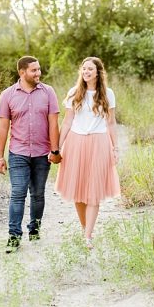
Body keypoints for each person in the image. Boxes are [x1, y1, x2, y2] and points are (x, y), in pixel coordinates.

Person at [0, 56, 61, 253]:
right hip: (18, 153)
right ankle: (14, 236)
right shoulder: (7, 95)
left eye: (39, 69)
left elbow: (54, 123)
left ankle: (35, 228)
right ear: (22, 72)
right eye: (34, 70)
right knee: (18, 194)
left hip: (42, 153)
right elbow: (2, 128)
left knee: (38, 194)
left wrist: (55, 150)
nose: (38, 73)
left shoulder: (48, 92)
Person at [54, 56, 121, 248]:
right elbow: (67, 122)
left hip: (99, 143)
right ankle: (85, 229)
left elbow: (111, 122)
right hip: (76, 142)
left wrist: (115, 148)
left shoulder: (108, 94)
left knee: (94, 191)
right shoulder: (74, 93)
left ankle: (88, 236)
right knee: (78, 191)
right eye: (84, 69)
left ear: (98, 72)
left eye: (90, 69)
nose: (86, 72)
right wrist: (57, 147)